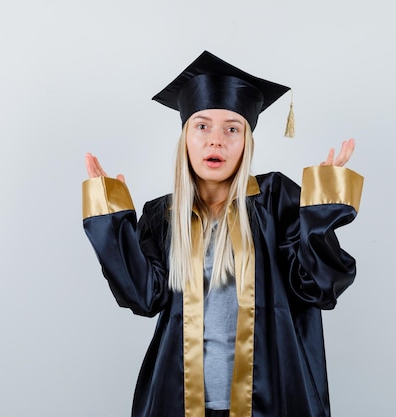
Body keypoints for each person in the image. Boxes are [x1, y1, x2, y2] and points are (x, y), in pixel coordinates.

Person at [82, 51, 363, 417]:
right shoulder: (164, 216)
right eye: (202, 126)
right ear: (185, 137)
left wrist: (319, 210)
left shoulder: (278, 201)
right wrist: (112, 216)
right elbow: (143, 297)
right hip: (180, 400)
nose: (216, 141)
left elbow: (318, 286)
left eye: (232, 128)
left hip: (272, 397)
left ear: (247, 140)